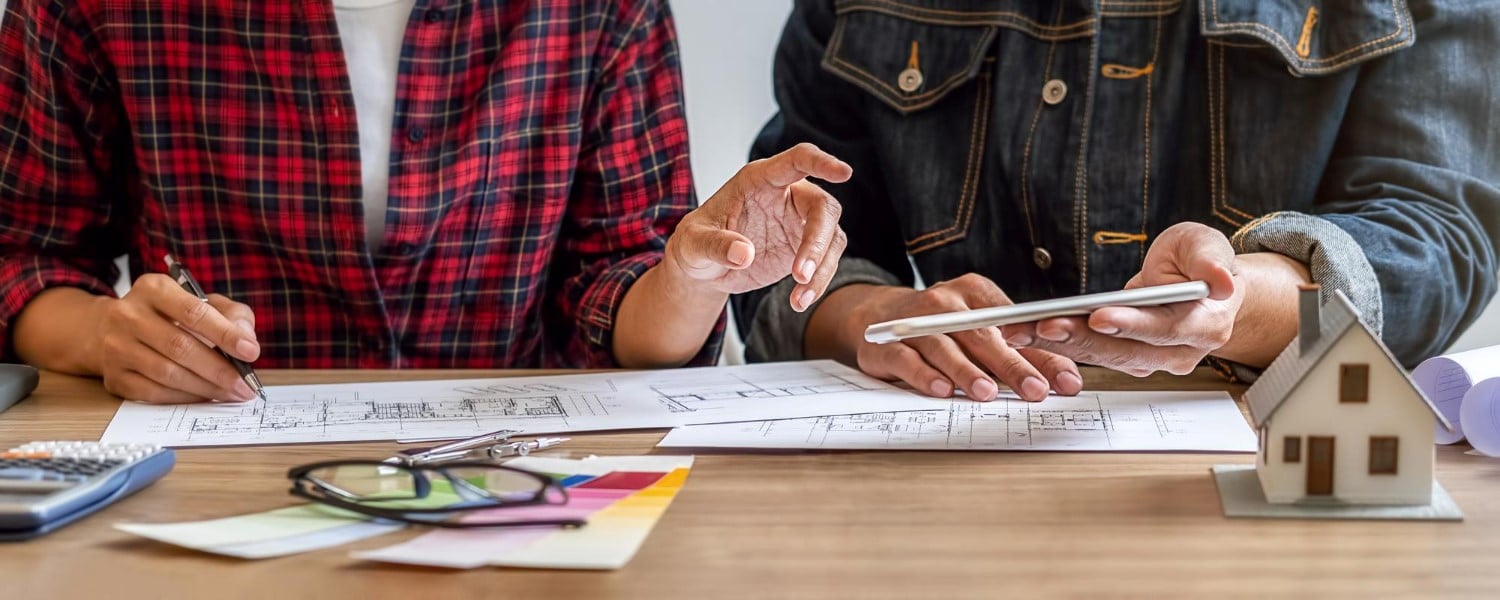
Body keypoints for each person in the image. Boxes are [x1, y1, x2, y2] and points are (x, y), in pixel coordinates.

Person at [0, 0, 851, 404]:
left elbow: (614, 290)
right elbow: (23, 257)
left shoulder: (604, 9)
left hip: (524, 474)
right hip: (209, 465)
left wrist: (693, 277)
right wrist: (107, 334)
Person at [736, 0, 1499, 402]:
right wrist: (870, 319)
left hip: (1270, 461)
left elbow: (1440, 236)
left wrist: (1243, 299)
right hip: (940, 448)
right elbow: (785, 237)